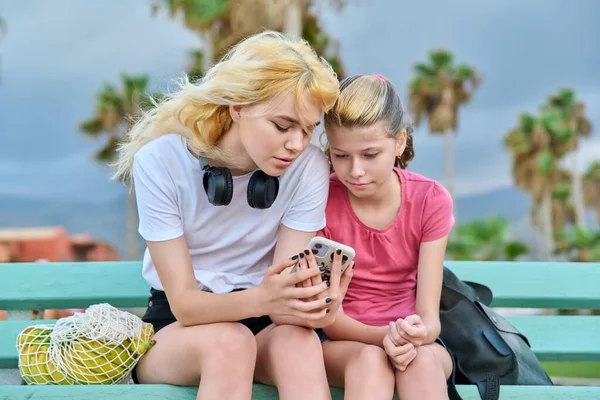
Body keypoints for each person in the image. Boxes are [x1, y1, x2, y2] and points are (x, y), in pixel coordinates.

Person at [112, 31, 353, 400]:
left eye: (308, 130)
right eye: (283, 125)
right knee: (231, 342)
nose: (296, 144)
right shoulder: (160, 161)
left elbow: (285, 303)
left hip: (267, 318)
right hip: (180, 326)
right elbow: (185, 304)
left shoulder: (308, 168)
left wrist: (319, 307)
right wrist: (266, 300)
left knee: (300, 343)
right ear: (237, 106)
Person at [316, 74, 454, 400]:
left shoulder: (430, 200)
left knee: (419, 362)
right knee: (371, 361)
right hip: (341, 343)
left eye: (370, 154)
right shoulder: (319, 199)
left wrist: (413, 336)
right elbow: (330, 319)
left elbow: (429, 320)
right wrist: (386, 338)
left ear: (400, 142)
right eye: (341, 155)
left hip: (414, 344)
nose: (355, 171)